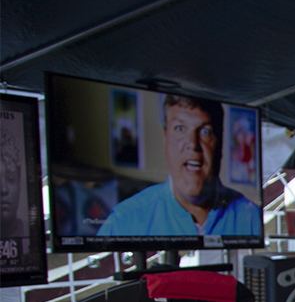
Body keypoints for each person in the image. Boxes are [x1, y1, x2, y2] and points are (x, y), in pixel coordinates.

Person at [98, 94, 259, 237]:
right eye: (180, 128)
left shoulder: (252, 219)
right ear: (164, 138)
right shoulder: (121, 223)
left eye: (205, 132)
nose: (192, 144)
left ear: (220, 142)